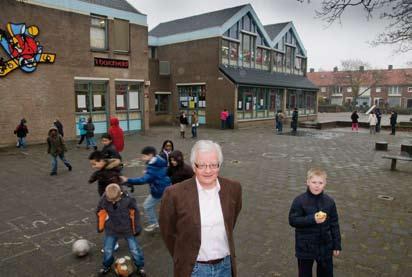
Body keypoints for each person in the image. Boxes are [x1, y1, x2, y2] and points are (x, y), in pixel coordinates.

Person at [159, 140, 242, 277]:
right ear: (193, 166)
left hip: (225, 267)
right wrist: (183, 256)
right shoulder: (174, 194)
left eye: (213, 165)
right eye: (202, 165)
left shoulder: (233, 189)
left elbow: (230, 222)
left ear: (219, 165)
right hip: (194, 269)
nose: (208, 170)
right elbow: (168, 232)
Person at [289, 168, 341, 277]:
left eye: (320, 183)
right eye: (314, 182)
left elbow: (334, 224)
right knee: (304, 273)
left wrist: (336, 245)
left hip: (325, 246)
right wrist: (313, 219)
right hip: (305, 247)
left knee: (326, 273)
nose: (317, 186)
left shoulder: (329, 202)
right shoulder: (299, 201)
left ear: (325, 184)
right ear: (307, 182)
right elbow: (293, 220)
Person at [96, 184, 146, 276]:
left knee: (135, 249)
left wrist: (136, 228)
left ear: (120, 195)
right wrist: (100, 225)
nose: (112, 202)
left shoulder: (128, 200)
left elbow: (135, 214)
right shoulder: (104, 200)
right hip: (112, 228)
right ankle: (106, 265)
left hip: (127, 229)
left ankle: (140, 266)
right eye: (110, 200)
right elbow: (100, 211)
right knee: (108, 249)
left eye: (115, 200)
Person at [122, 146, 171, 232]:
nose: (142, 158)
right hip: (165, 187)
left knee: (147, 205)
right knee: (166, 206)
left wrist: (128, 180)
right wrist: (148, 173)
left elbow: (143, 180)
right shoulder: (158, 160)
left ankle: (154, 223)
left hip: (158, 190)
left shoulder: (152, 167)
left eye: (144, 156)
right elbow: (157, 172)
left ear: (151, 155)